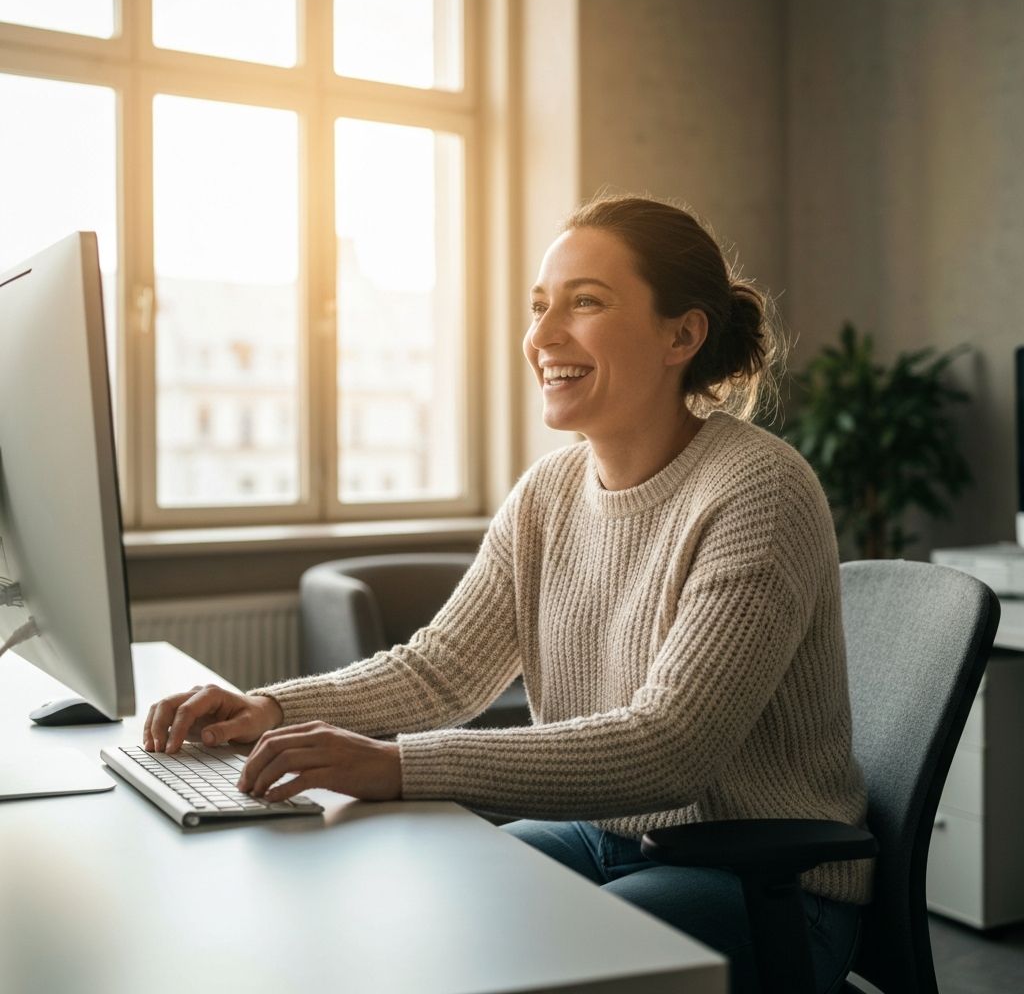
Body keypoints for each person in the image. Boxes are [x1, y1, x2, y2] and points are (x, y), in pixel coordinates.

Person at [145, 195, 872, 993]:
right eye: (538, 306)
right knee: (409, 913)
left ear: (681, 335)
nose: (543, 336)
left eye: (585, 301)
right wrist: (270, 708)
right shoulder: (549, 492)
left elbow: (670, 750)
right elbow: (440, 670)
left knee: (503, 964)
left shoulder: (758, 489)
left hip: (764, 883)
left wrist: (395, 765)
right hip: (601, 836)